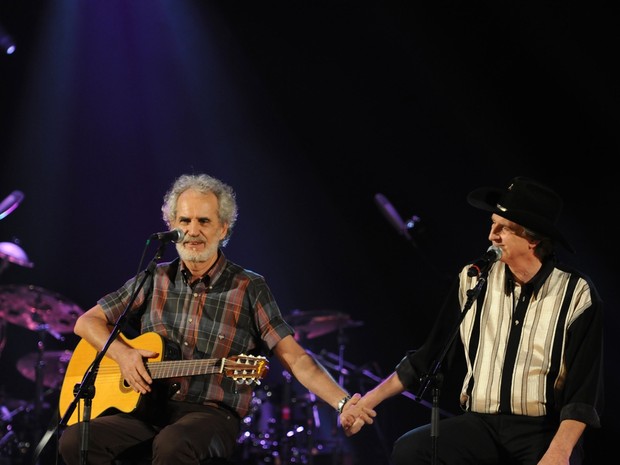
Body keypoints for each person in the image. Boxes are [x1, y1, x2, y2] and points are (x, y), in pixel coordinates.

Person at [58, 173, 375, 465]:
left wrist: (343, 403)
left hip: (210, 415)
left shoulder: (249, 286)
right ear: (171, 223)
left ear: (223, 228)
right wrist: (123, 354)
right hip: (146, 410)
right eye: (184, 220)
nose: (193, 231)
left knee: (172, 444)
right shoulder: (154, 277)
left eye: (204, 221)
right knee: (75, 441)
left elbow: (296, 358)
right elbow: (86, 322)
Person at [342, 177, 604, 465]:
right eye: (492, 223)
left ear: (533, 239)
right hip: (480, 426)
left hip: (543, 430)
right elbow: (427, 358)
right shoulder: (473, 280)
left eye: (504, 227)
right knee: (411, 451)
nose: (492, 235)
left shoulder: (576, 293)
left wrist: (559, 452)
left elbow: (584, 393)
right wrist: (365, 403)